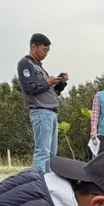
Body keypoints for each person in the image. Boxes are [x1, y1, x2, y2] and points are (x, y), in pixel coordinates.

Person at [18, 33, 68, 172]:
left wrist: (60, 83)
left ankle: (48, 182)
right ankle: (38, 183)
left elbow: (50, 92)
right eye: (43, 50)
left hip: (51, 112)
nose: (46, 54)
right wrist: (48, 82)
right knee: (43, 152)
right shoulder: (26, 64)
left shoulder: (40, 67)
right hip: (40, 111)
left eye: (47, 51)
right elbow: (30, 88)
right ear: (33, 46)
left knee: (52, 154)